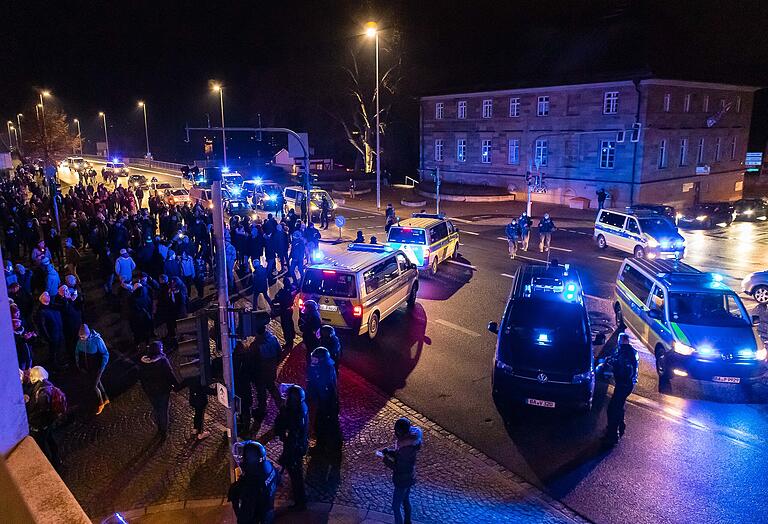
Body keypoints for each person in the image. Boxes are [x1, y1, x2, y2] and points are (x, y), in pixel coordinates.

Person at [381, 417, 423, 524]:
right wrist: (390, 452)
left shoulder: (405, 448)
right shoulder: (409, 442)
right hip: (409, 477)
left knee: (395, 506)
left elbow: (398, 466)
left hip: (402, 480)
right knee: (405, 500)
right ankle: (408, 522)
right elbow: (399, 455)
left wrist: (386, 459)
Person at [274, 385, 309, 511]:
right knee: (296, 473)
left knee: (296, 475)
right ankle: (300, 498)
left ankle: (300, 501)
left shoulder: (293, 414)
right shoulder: (302, 408)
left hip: (294, 448)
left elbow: (289, 431)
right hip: (298, 446)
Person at [601, 332, 639, 445]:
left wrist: (613, 367)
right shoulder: (630, 351)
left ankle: (613, 435)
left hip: (623, 384)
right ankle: (621, 427)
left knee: (613, 409)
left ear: (621, 341)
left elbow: (624, 370)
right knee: (619, 406)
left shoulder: (625, 353)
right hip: (627, 385)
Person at [228, 441, 280, 524]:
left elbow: (245, 515)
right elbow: (278, 480)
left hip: (258, 518)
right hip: (269, 511)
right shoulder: (269, 466)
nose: (241, 460)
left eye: (244, 458)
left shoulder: (251, 483)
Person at [139, 341, 180, 441]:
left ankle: (159, 428)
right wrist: (177, 386)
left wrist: (145, 389)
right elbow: (170, 375)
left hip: (150, 392)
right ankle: (163, 430)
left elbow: (141, 378)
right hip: (162, 390)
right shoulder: (162, 361)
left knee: (156, 408)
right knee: (163, 410)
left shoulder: (143, 363)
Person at [25, 366, 65, 469]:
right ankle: (57, 459)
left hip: (40, 425)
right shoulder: (48, 385)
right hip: (48, 422)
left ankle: (50, 464)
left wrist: (27, 402)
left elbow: (34, 409)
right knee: (51, 440)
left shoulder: (40, 392)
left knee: (42, 445)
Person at [307, 347, 342, 457]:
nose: (312, 361)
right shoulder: (326, 367)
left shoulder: (324, 373)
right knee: (328, 424)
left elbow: (320, 390)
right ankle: (332, 445)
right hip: (328, 403)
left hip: (327, 405)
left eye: (315, 360)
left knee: (322, 425)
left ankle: (322, 447)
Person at [75, 324, 111, 414]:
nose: (81, 338)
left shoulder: (97, 340)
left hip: (97, 367)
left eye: (83, 336)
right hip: (88, 368)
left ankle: (100, 403)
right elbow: (77, 352)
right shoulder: (80, 341)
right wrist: (79, 364)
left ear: (87, 334)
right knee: (98, 382)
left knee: (93, 386)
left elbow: (105, 354)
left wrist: (102, 367)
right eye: (80, 336)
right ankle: (106, 399)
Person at [251, 321, 283, 421]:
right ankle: (281, 406)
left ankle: (262, 410)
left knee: (261, 392)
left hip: (261, 372)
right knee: (272, 387)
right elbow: (279, 353)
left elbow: (252, 362)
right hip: (271, 369)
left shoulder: (255, 346)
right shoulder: (273, 339)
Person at [36, 292, 65, 370]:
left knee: (60, 348)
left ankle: (60, 362)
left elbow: (63, 307)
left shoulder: (53, 306)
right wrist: (48, 337)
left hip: (59, 331)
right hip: (53, 334)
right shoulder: (41, 312)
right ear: (41, 299)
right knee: (53, 351)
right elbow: (42, 326)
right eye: (46, 295)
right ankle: (54, 366)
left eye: (48, 295)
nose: (48, 296)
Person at [273, 277, 297, 351]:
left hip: (284, 310)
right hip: (290, 309)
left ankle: (288, 342)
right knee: (290, 323)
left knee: (285, 326)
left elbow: (277, 298)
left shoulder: (283, 291)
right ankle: (292, 336)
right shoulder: (293, 288)